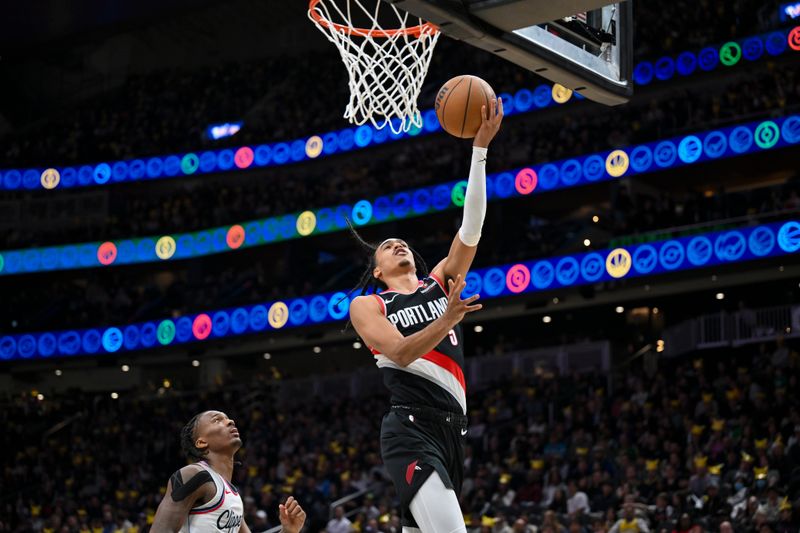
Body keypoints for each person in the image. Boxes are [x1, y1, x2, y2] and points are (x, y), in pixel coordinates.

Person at [349, 98, 504, 533]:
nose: (398, 244)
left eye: (402, 242)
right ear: (377, 270)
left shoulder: (439, 282)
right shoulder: (369, 305)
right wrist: (447, 320)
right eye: (387, 246)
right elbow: (398, 353)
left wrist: (479, 152)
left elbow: (471, 227)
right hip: (410, 427)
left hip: (454, 432)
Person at [151, 410, 306, 533]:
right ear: (201, 442)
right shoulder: (194, 474)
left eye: (228, 418)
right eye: (217, 420)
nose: (230, 421)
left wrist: (288, 531)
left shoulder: (233, 496)